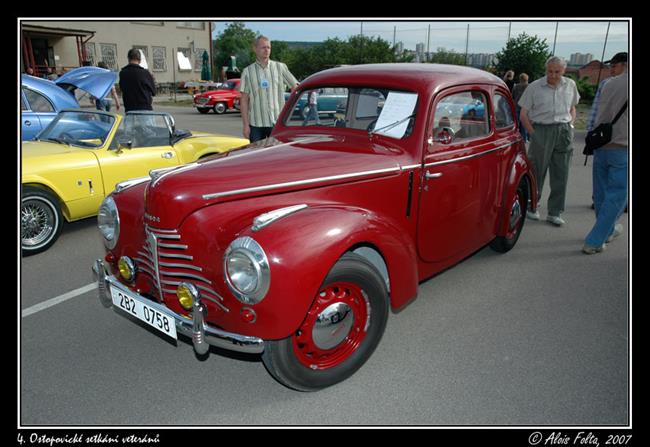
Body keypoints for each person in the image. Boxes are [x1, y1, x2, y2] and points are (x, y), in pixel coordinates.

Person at [519, 56, 580, 227]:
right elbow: (523, 114)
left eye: (557, 72)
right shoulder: (534, 87)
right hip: (542, 130)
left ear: (564, 71)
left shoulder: (570, 85)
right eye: (549, 71)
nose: (553, 75)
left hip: (564, 130)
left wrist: (571, 125)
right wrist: (533, 133)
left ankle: (555, 212)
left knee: (561, 172)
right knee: (537, 170)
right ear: (546, 70)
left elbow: (573, 108)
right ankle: (533, 206)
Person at [582, 52, 628, 254]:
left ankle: (608, 230)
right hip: (623, 147)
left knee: (601, 193)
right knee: (617, 196)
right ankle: (595, 240)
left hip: (601, 143)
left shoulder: (608, 84)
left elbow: (594, 114)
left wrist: (591, 139)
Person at [239, 36, 299, 142]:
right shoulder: (247, 72)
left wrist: (288, 111)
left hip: (277, 123)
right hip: (256, 124)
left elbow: (295, 88)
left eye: (268, 47)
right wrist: (245, 125)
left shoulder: (280, 67)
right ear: (255, 49)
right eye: (263, 47)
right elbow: (244, 100)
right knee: (257, 156)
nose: (267, 50)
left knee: (276, 156)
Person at [119, 48, 156, 112]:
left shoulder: (122, 73)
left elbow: (122, 88)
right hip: (144, 108)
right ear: (139, 60)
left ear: (128, 58)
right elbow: (153, 92)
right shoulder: (145, 73)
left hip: (129, 109)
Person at [511, 73, 529, 142]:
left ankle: (516, 138)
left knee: (517, 123)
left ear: (520, 79)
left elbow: (512, 97)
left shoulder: (516, 86)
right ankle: (524, 139)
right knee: (524, 124)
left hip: (517, 106)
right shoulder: (529, 86)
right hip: (526, 107)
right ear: (526, 79)